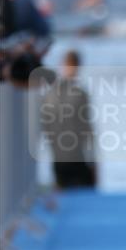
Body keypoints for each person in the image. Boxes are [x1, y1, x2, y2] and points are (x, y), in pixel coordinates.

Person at [40, 50, 97, 189]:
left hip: (59, 157)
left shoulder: (49, 94)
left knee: (63, 194)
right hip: (77, 157)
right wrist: (94, 162)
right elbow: (87, 129)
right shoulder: (80, 94)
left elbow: (45, 127)